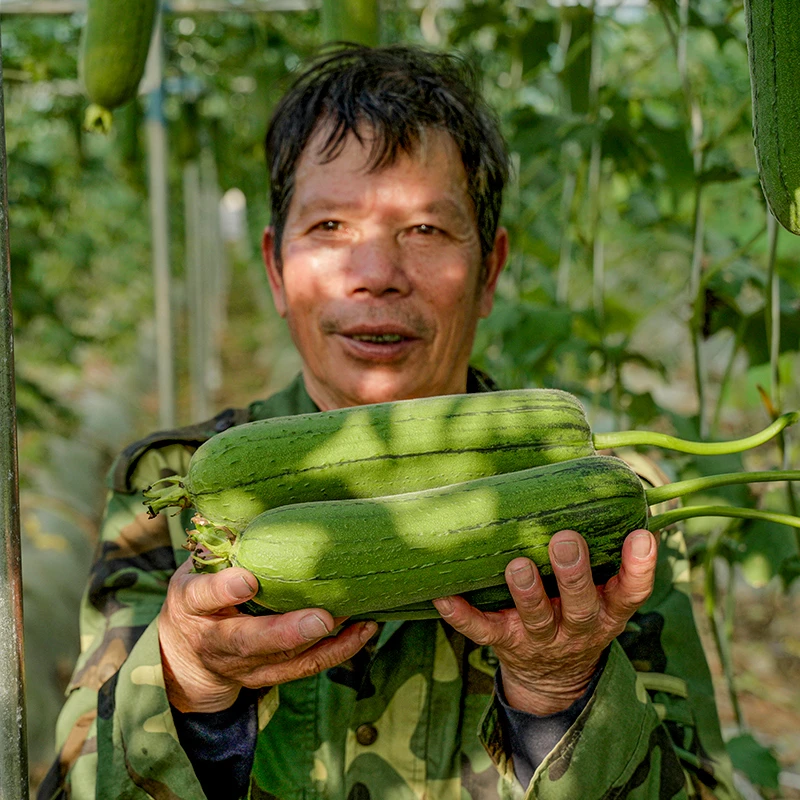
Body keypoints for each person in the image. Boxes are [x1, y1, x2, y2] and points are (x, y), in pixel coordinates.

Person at [41, 45, 742, 800]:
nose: (375, 273)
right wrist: (188, 680)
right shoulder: (170, 487)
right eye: (332, 225)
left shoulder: (603, 501)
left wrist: (559, 695)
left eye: (425, 231)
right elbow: (74, 787)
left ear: (489, 273)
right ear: (275, 271)